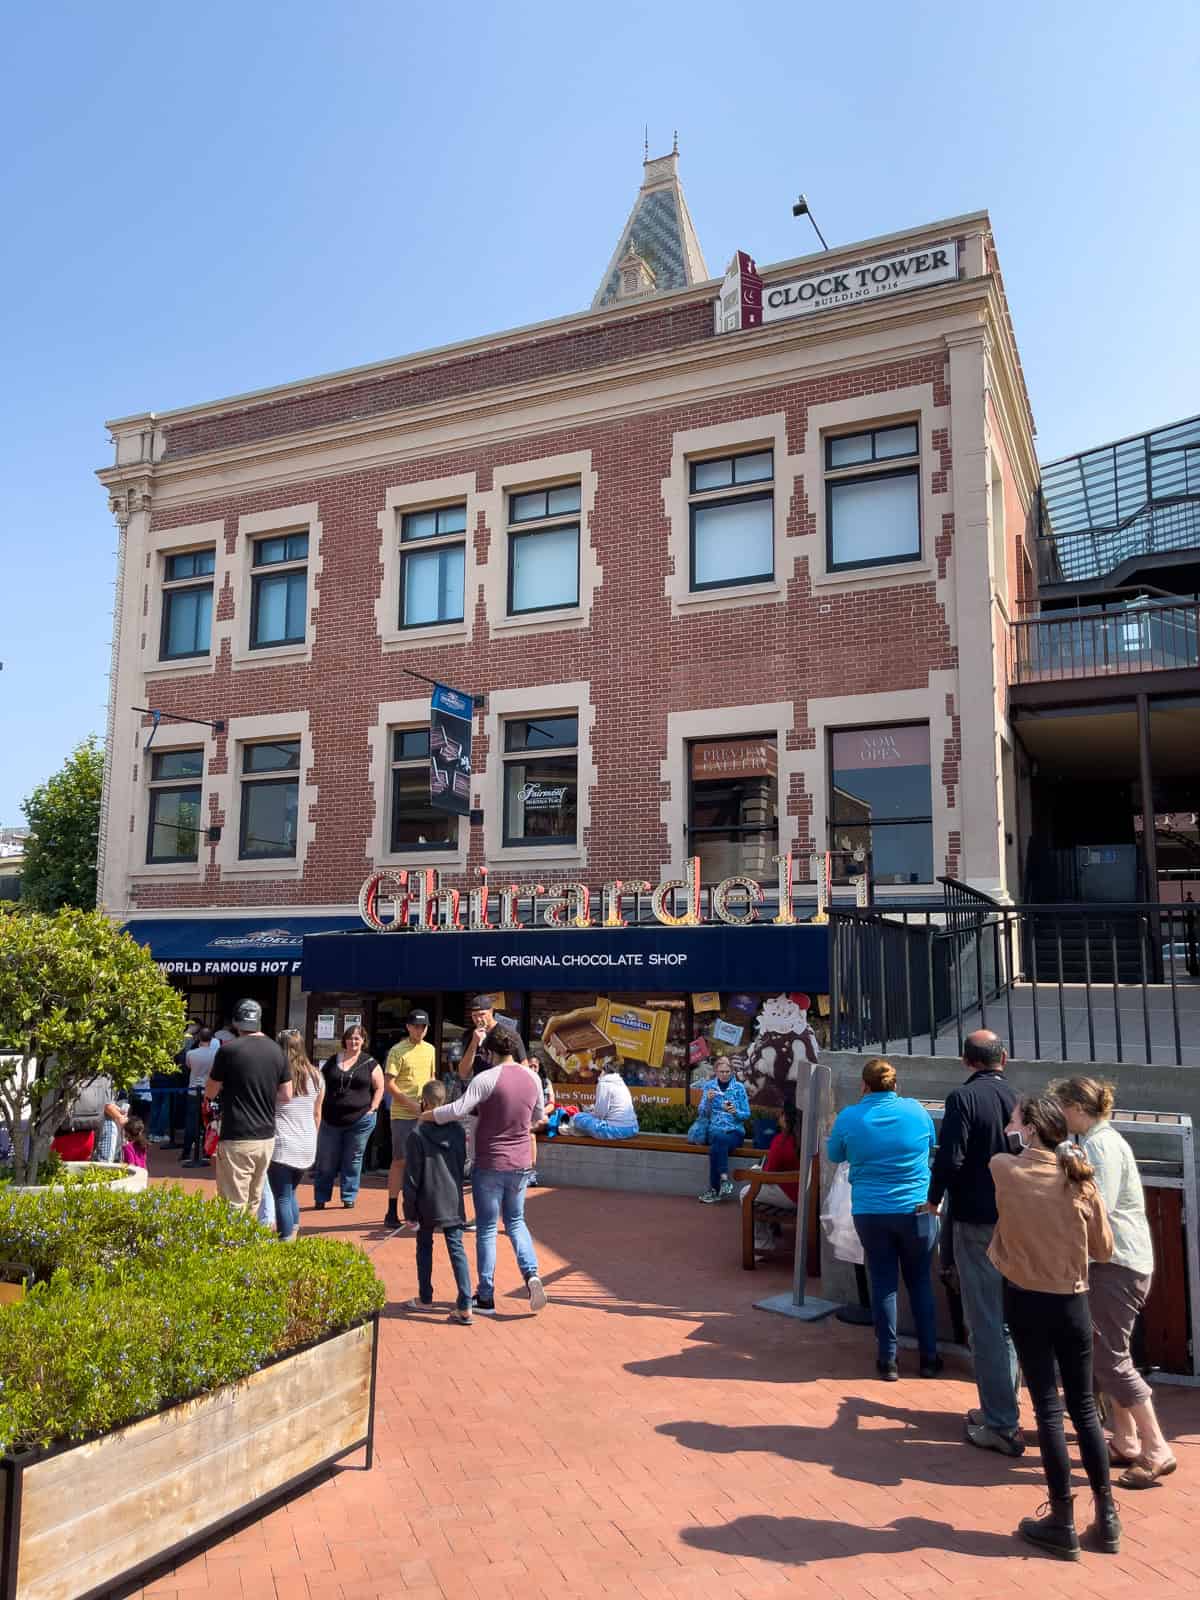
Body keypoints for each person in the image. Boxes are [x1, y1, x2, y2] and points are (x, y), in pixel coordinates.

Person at [990, 1093, 1119, 1559]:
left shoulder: (1005, 1168)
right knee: (1082, 1407)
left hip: (1026, 1298)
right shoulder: (1078, 1178)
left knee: (1046, 1406)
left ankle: (1062, 1518)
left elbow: (1007, 1158)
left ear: (1029, 1126)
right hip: (1072, 1300)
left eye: (1018, 1117)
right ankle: (1107, 1516)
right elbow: (1104, 1248)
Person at [1057, 1076, 1176, 1489]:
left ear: (1075, 1106)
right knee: (1105, 1352)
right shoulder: (1095, 1141)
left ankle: (1156, 1445)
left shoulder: (1100, 1146)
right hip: (1112, 1263)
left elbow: (1093, 1207)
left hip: (1116, 1264)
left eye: (1062, 1107)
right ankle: (1125, 1439)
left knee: (1110, 1357)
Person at [926, 1029, 1022, 1455]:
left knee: (985, 1320)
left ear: (967, 1061)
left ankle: (1002, 1421)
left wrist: (933, 1199)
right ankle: (1002, 1406)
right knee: (1006, 1322)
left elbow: (951, 1155)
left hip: (976, 1218)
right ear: (1005, 1057)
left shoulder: (962, 1099)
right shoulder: (1017, 1098)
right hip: (1015, 1219)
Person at [827, 1058, 940, 1381]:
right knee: (920, 1283)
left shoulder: (850, 1117)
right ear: (896, 1084)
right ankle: (929, 1358)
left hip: (871, 1211)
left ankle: (887, 1359)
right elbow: (931, 1144)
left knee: (883, 1282)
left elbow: (835, 1155)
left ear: (864, 1086)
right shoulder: (917, 1111)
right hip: (916, 1210)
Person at [424, 1024, 546, 1315]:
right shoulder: (532, 1077)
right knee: (516, 1222)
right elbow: (539, 1116)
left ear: (490, 1051)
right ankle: (532, 1275)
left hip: (490, 1161)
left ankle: (486, 1295)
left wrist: (428, 1115)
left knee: (488, 1228)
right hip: (520, 1162)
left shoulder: (486, 1078)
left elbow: (457, 1109)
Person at [204, 998, 292, 1215]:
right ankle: (248, 1245)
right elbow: (286, 1095)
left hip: (237, 1134)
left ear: (236, 1022)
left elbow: (210, 1091)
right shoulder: (276, 1050)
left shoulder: (228, 1051)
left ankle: (233, 1248)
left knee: (233, 1202)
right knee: (254, 1199)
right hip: (266, 1136)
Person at [402, 1080, 472, 1324]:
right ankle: (465, 1304)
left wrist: (409, 1212)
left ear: (424, 1102)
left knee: (424, 1247)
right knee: (456, 1248)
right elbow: (463, 1163)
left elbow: (411, 1177)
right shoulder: (458, 1130)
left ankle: (425, 1297)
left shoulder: (417, 1133)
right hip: (452, 1197)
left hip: (426, 1200)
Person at [313, 1024, 384, 1210]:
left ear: (363, 1041)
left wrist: (373, 1108)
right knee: (326, 1159)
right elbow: (320, 1085)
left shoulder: (370, 1063)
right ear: (344, 1040)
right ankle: (321, 1196)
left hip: (360, 1120)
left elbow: (380, 1087)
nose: (354, 1041)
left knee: (352, 1159)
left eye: (357, 1038)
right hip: (330, 1119)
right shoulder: (332, 1061)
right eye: (351, 1037)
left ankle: (348, 1196)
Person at [383, 1010, 436, 1230]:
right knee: (400, 1160)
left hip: (424, 1114)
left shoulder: (431, 1049)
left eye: (423, 1027)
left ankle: (417, 1208)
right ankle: (392, 1210)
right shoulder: (397, 1050)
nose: (420, 1030)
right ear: (408, 1027)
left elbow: (432, 1078)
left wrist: (432, 1104)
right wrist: (410, 1104)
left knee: (424, 1161)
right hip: (403, 1114)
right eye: (416, 1026)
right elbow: (390, 1084)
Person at [743, 1097, 801, 1253]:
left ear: (785, 1117)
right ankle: (770, 1229)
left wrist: (755, 1172)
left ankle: (763, 1242)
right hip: (805, 1194)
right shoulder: (807, 1139)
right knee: (763, 1189)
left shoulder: (781, 1141)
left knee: (747, 1193)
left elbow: (768, 1173)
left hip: (791, 1196)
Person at [688, 1057, 750, 1203]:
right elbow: (703, 1113)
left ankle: (716, 1189)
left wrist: (735, 1112)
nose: (724, 1075)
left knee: (716, 1146)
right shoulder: (709, 1086)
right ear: (716, 1072)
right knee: (718, 1138)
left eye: (728, 1072)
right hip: (715, 1130)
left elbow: (746, 1114)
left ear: (732, 1072)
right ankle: (723, 1181)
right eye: (721, 1072)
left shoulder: (739, 1088)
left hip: (734, 1132)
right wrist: (708, 1100)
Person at [565, 1064, 639, 1140]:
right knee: (587, 1118)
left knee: (578, 1117)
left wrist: (589, 1113)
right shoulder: (621, 1083)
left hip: (615, 1131)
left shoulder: (604, 1083)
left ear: (603, 1071)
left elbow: (600, 1114)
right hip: (633, 1128)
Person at [182, 1026, 218, 1167]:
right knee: (208, 1124)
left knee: (191, 1122)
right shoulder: (216, 1054)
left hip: (193, 1090)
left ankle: (186, 1152)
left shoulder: (191, 1053)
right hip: (208, 1091)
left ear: (198, 1038)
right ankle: (206, 1152)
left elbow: (189, 1067)